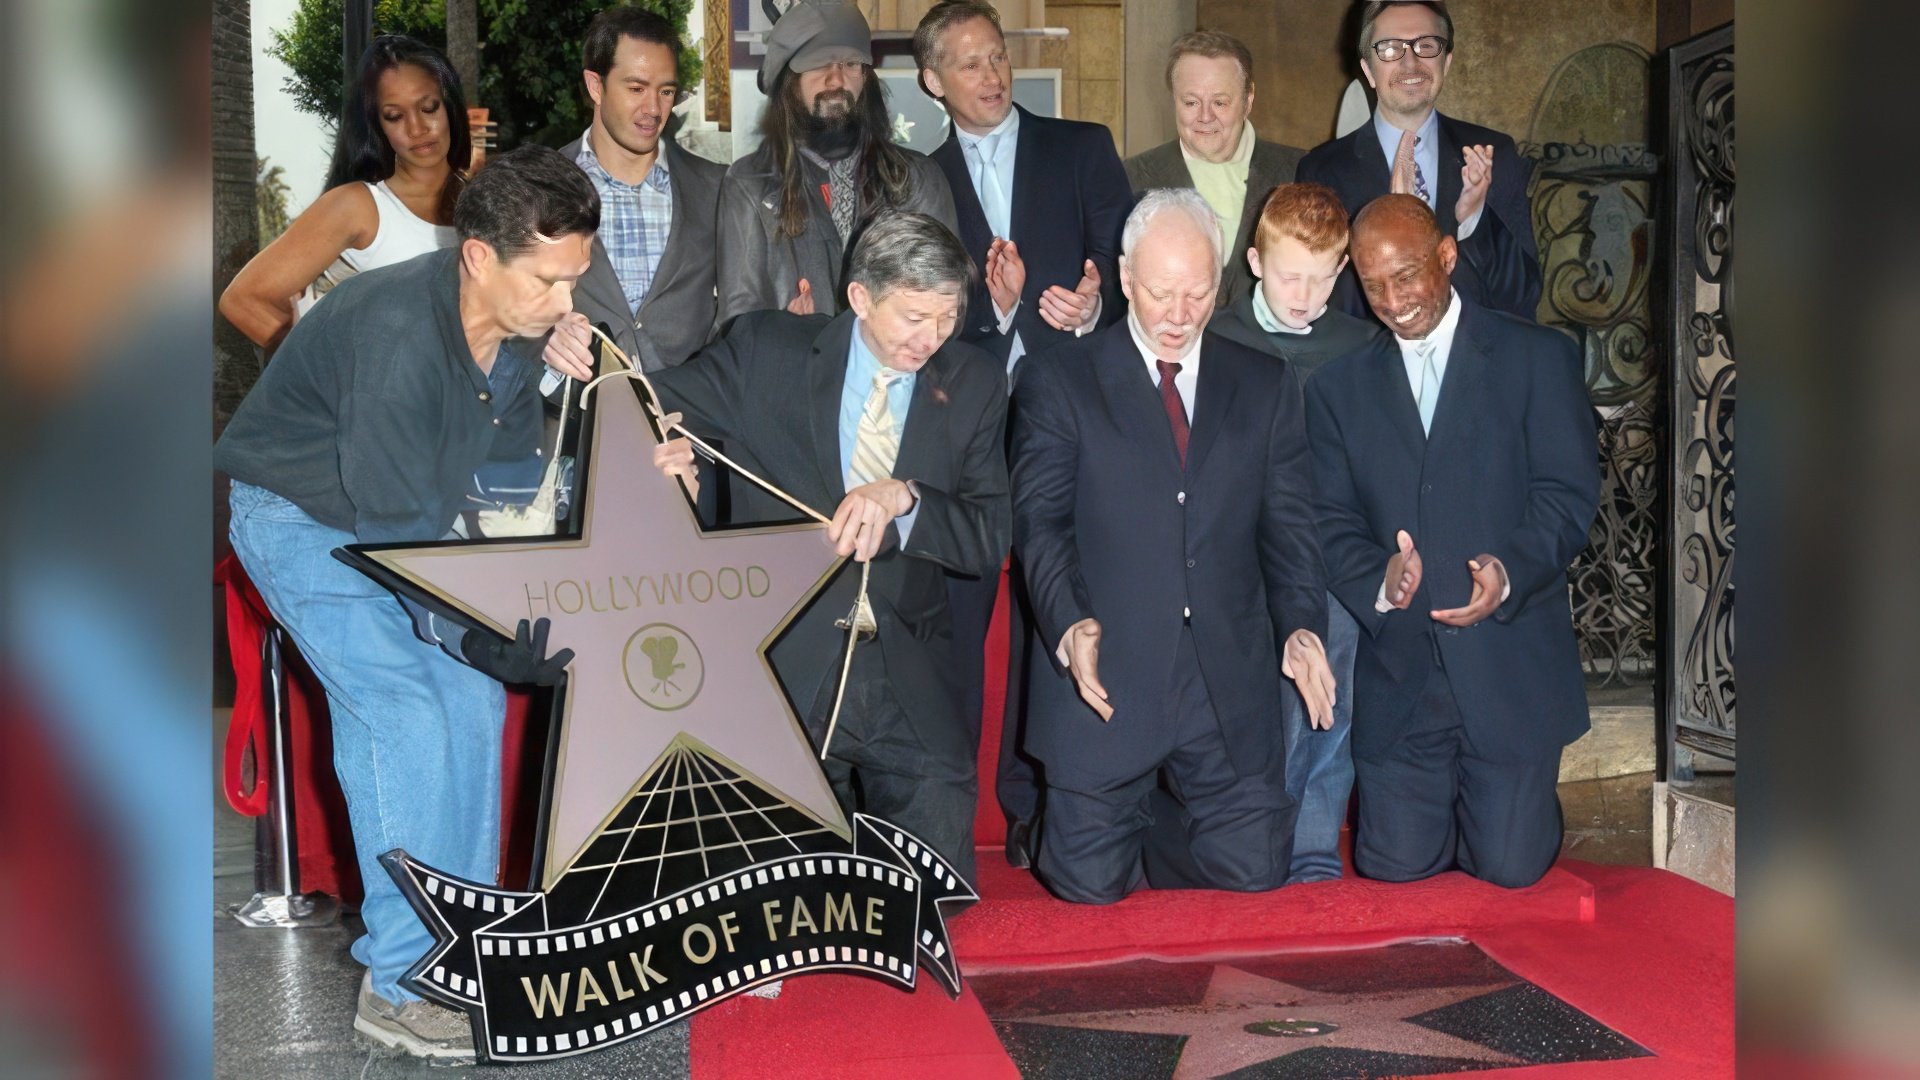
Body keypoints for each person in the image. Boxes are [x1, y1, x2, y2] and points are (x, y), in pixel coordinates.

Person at [214, 146, 594, 1059]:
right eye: (548, 282)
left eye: (575, 280)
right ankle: (399, 984)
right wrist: (479, 631)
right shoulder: (395, 336)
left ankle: (464, 956)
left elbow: (492, 487)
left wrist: (496, 629)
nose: (566, 303)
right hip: (294, 517)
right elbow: (399, 544)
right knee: (404, 712)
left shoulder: (512, 331)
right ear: (478, 257)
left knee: (470, 699)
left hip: (390, 520)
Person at [644, 210, 1009, 887]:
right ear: (861, 297)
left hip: (906, 663)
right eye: (912, 317)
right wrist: (665, 463)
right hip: (784, 658)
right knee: (777, 910)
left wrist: (907, 500)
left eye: (948, 318)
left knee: (936, 899)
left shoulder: (975, 382)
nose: (931, 338)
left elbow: (989, 536)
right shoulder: (765, 350)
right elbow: (643, 404)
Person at [1011, 188, 1336, 905]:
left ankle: (1155, 819)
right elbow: (1041, 524)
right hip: (1107, 677)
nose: (1178, 315)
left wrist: (1302, 625)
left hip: (1223, 685)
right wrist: (1069, 623)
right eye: (1160, 293)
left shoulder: (1264, 383)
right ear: (1125, 280)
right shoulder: (1057, 380)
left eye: (1197, 294)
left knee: (1254, 877)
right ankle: (1079, 816)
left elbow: (1290, 528)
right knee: (1086, 891)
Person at [1305, 194, 1597, 890]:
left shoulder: (1539, 357)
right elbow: (1327, 517)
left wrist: (1509, 569)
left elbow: (1566, 495)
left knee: (1507, 869)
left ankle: (1520, 814)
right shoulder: (1336, 389)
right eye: (1372, 285)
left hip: (1509, 669)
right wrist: (1380, 577)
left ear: (1446, 255)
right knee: (1394, 870)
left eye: (1406, 275)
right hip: (1403, 677)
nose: (1392, 300)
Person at [911, 0, 1134, 866]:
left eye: (997, 56)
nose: (991, 75)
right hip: (962, 438)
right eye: (968, 63)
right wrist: (993, 311)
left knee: (1060, 615)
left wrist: (1091, 307)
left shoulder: (1082, 147)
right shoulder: (918, 177)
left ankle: (1043, 813)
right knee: (961, 634)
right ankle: (950, 829)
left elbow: (1124, 269)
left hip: (1069, 427)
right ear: (933, 80)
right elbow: (914, 322)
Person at [1210, 182, 1386, 884]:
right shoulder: (1218, 337)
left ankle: (1312, 847)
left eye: (1322, 279)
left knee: (1328, 708)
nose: (1305, 296)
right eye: (1290, 276)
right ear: (1254, 260)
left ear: (1342, 272)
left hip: (1331, 563)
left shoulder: (1362, 345)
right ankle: (1252, 843)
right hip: (1238, 561)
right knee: (1252, 710)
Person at [714, 1, 958, 331]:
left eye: (850, 64)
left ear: (866, 78)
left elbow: (948, 306)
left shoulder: (916, 180)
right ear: (790, 81)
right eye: (818, 64)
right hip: (790, 381)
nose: (836, 79)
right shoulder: (750, 185)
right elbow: (738, 322)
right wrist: (784, 337)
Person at [219, 35, 470, 349]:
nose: (417, 128)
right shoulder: (359, 207)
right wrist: (336, 378)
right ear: (377, 125)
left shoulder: (488, 200)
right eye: (395, 116)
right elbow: (244, 300)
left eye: (429, 108)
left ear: (451, 107)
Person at [1297, 1, 1541, 321]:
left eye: (1426, 45)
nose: (1410, 62)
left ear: (1446, 62)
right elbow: (1319, 306)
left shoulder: (1495, 154)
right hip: (1374, 366)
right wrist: (1394, 223)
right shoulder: (1321, 171)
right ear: (1369, 70)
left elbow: (1522, 299)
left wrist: (1475, 222)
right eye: (1389, 48)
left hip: (1475, 364)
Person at [545, 6, 726, 376]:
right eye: (636, 88)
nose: (653, 109)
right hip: (577, 418)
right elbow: (502, 310)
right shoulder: (542, 187)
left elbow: (736, 317)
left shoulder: (717, 187)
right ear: (596, 86)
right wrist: (543, 336)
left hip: (693, 424)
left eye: (666, 91)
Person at [1123, 30, 1304, 310]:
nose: (1205, 117)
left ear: (1248, 100)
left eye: (1220, 102)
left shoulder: (1301, 172)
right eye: (1191, 102)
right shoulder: (1130, 179)